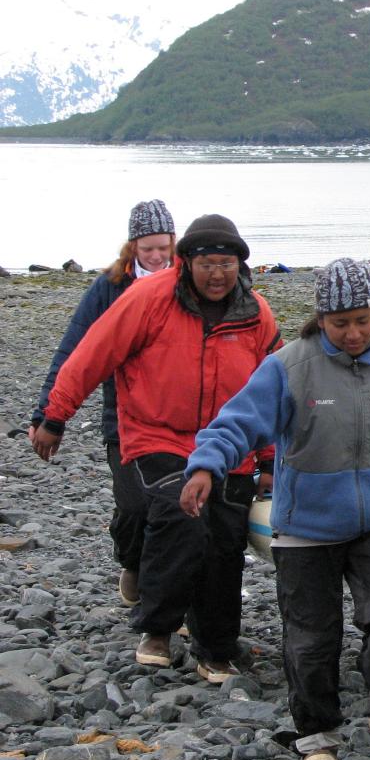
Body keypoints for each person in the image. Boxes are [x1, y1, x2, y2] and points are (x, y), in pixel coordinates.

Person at [181, 258, 370, 760]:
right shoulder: (289, 367)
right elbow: (236, 423)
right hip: (306, 529)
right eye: (340, 323)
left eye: (362, 320)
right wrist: (206, 467)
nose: (353, 333)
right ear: (321, 319)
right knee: (312, 638)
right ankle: (316, 730)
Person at [33, 214, 281, 682]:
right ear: (186, 262)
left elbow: (273, 394)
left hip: (231, 444)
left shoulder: (256, 314)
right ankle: (159, 627)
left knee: (226, 541)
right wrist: (54, 415)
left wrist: (269, 460)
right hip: (158, 435)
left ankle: (216, 646)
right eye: (207, 262)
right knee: (181, 516)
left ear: (240, 266)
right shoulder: (148, 299)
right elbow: (91, 354)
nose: (217, 274)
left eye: (226, 263)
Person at [30, 199, 175, 608]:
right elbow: (73, 351)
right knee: (133, 506)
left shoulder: (187, 282)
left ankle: (163, 600)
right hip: (123, 417)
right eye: (148, 248)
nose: (157, 256)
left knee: (172, 509)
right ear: (133, 247)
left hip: (179, 416)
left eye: (164, 247)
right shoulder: (109, 288)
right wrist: (48, 415)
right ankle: (131, 561)